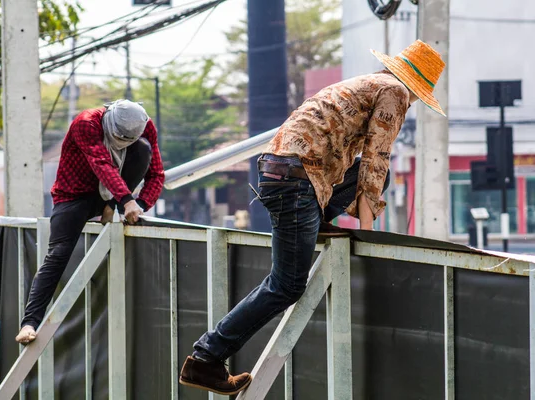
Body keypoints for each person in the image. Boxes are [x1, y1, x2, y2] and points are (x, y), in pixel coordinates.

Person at [179, 39, 446, 395]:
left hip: (285, 173)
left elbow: (359, 165)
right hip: (297, 182)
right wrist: (367, 233)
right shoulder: (395, 93)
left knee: (355, 176)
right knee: (286, 285)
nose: (412, 106)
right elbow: (376, 160)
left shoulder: (366, 83)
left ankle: (316, 220)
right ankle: (206, 358)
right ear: (416, 87)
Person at [16, 99, 165, 344]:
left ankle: (109, 209)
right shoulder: (86, 123)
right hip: (74, 194)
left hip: (112, 196)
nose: (122, 143)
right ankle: (29, 322)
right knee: (58, 254)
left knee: (143, 150)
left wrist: (140, 205)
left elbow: (157, 173)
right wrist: (127, 199)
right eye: (119, 138)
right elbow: (102, 164)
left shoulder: (144, 126)